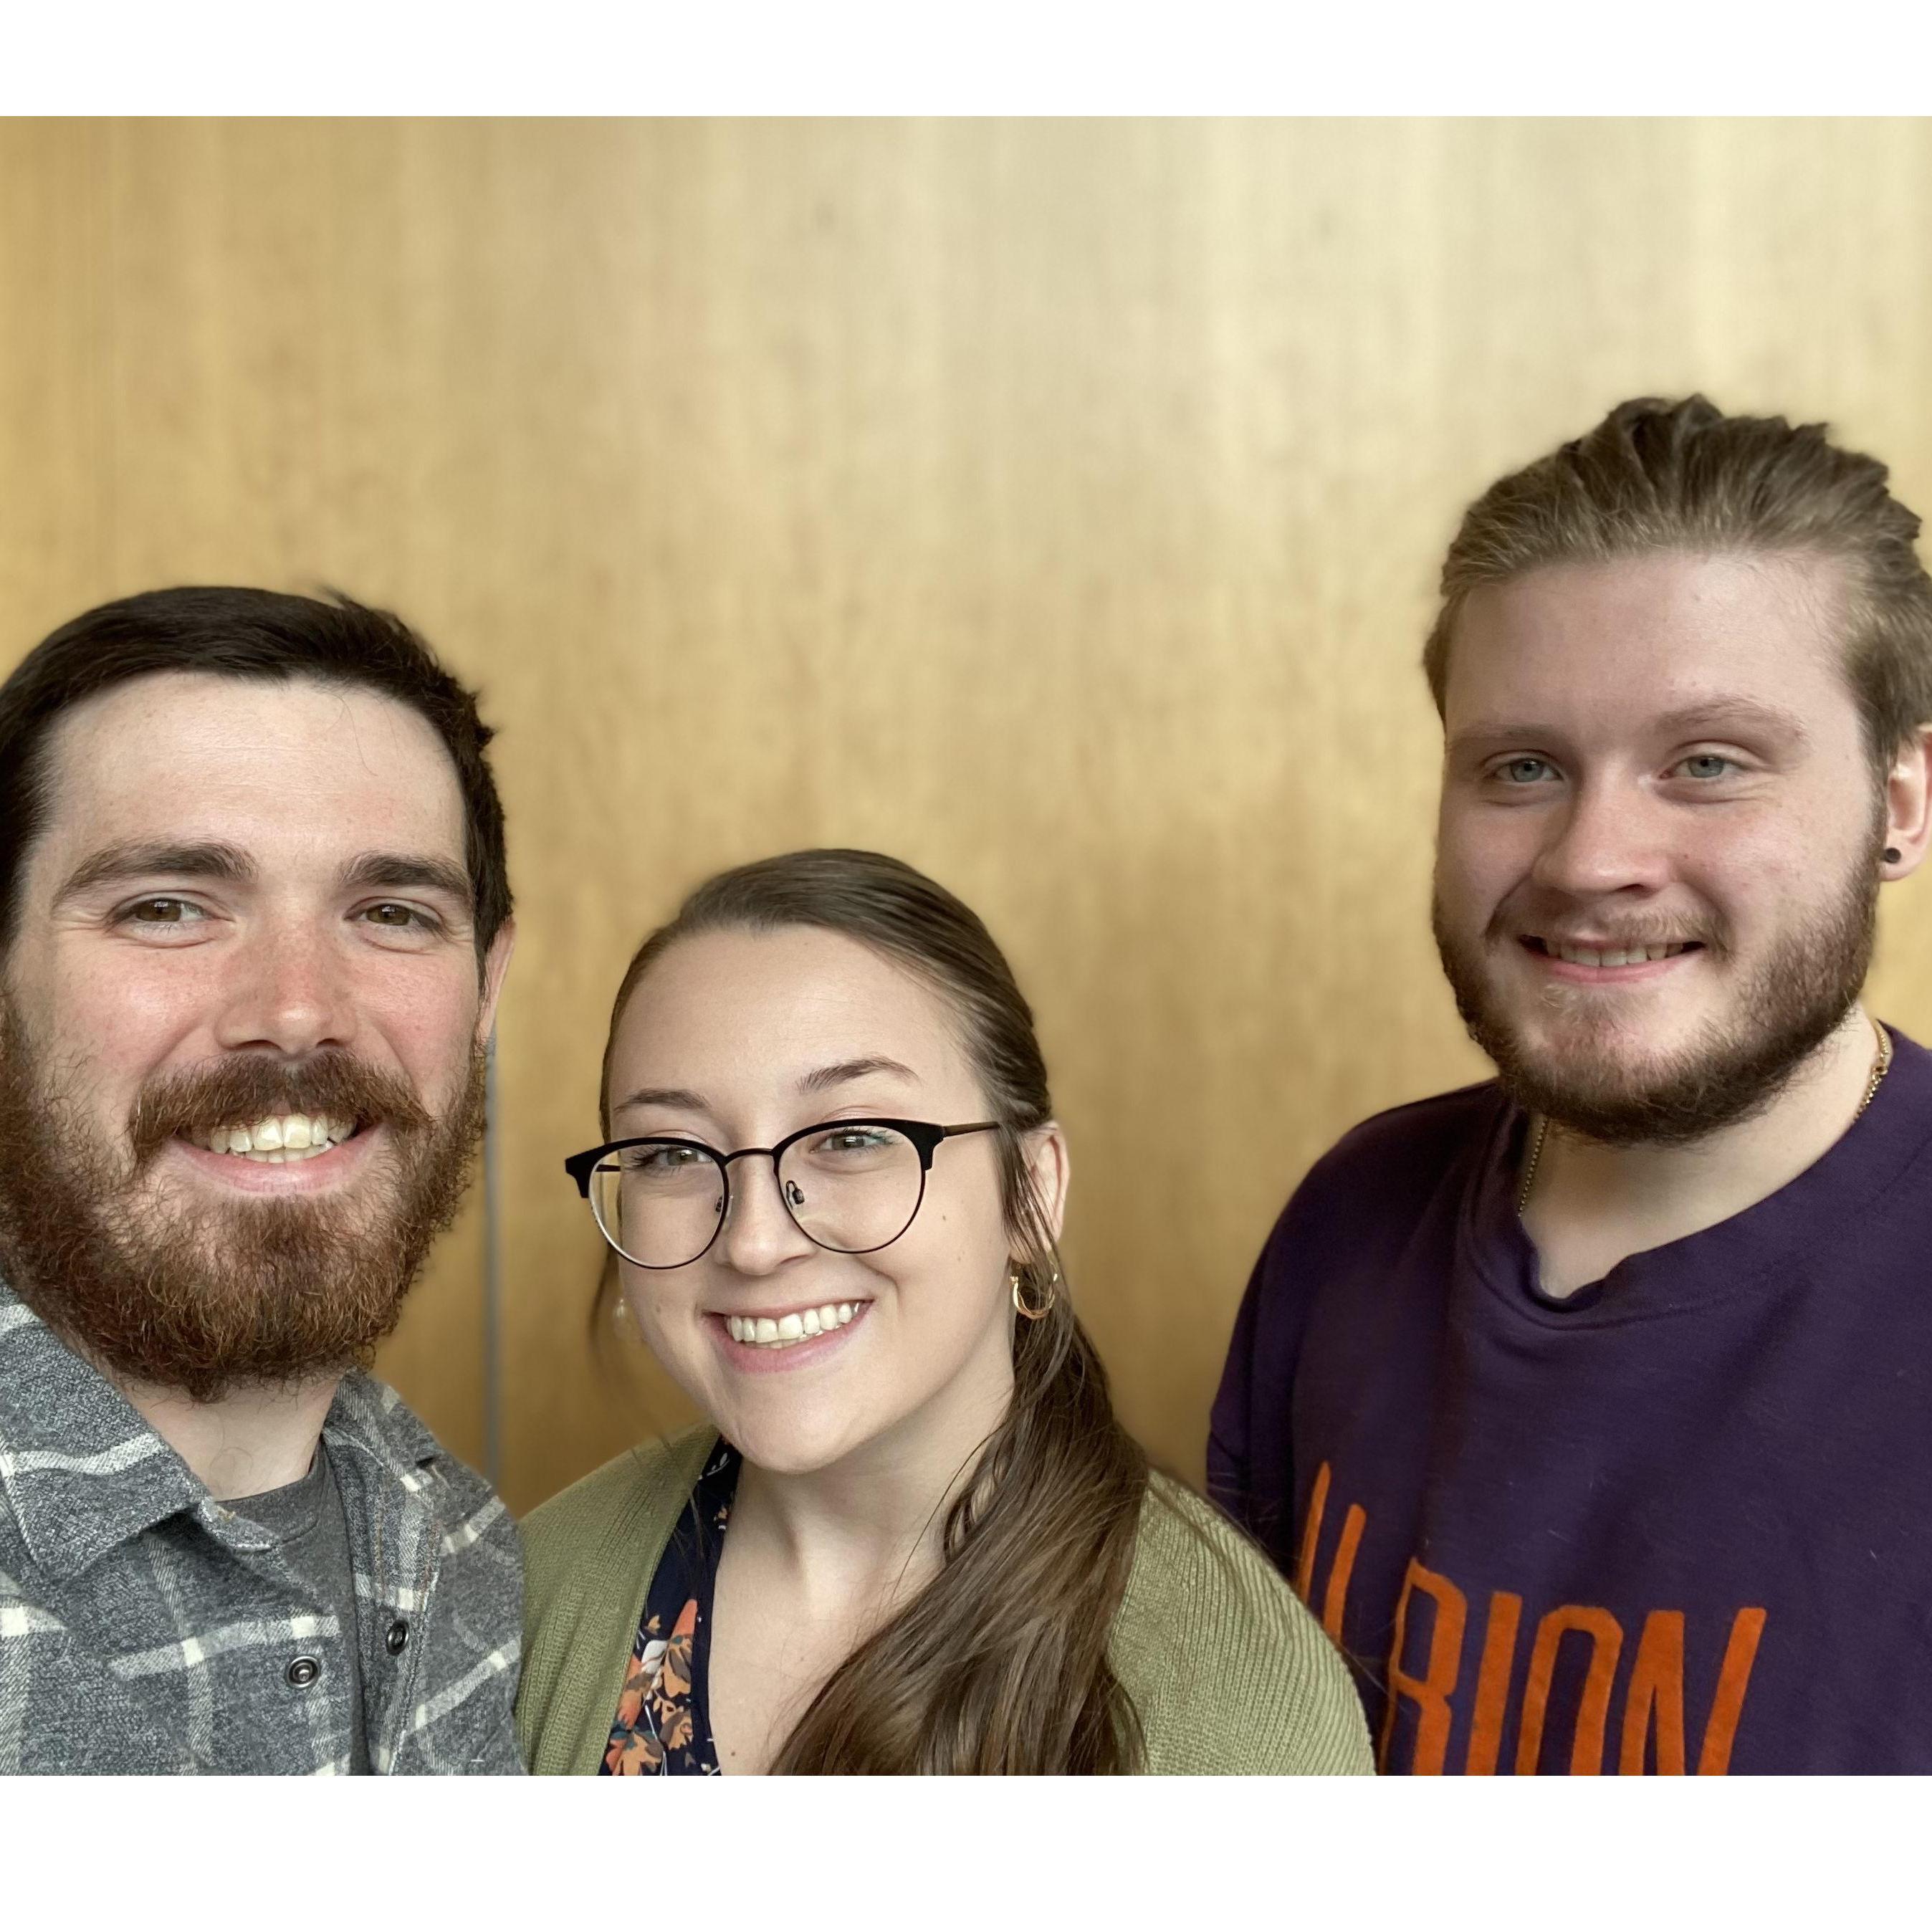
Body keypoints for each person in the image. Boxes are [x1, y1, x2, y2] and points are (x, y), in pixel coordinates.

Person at [1210, 396, 1932, 1774]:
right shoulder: (1352, 1222)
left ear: (1901, 802)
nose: (1593, 858)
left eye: (1708, 764)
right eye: (1523, 767)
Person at [517, 848, 1370, 1774]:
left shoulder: (1243, 1705)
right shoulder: (533, 1589)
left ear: (1029, 1196)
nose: (754, 1243)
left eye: (852, 1137)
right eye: (673, 1154)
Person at [0, 587, 524, 1774]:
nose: (296, 1011)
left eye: (390, 913)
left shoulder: (473, 1554)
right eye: (168, 907)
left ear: (486, 990)